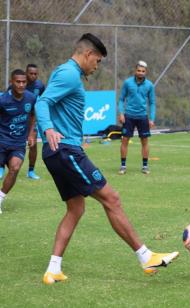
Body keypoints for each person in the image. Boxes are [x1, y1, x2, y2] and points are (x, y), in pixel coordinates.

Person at [35, 33, 178, 285]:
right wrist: (48, 128)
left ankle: (53, 269)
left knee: (76, 208)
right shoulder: (69, 74)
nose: (96, 66)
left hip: (57, 150)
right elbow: (42, 102)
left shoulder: (65, 72)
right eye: (98, 61)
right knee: (111, 198)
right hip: (65, 150)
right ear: (88, 54)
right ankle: (146, 256)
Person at [0, 69, 37, 214]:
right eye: (18, 82)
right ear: (11, 82)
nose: (21, 85)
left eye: (24, 82)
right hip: (2, 141)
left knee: (15, 168)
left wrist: (31, 134)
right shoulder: (3, 100)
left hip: (18, 143)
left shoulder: (30, 98)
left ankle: (1, 197)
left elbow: (33, 115)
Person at [118, 60, 156, 174]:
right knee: (125, 140)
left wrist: (152, 118)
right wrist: (121, 113)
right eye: (138, 70)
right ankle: (123, 166)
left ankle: (145, 166)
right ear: (135, 71)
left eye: (143, 71)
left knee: (144, 141)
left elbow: (152, 103)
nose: (140, 73)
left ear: (146, 72)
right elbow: (121, 99)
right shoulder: (127, 83)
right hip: (128, 116)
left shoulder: (150, 85)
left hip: (142, 117)